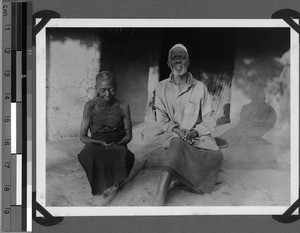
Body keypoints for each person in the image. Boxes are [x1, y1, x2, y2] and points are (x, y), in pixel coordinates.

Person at [153, 44, 223, 205]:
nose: (178, 61)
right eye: (174, 58)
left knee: (217, 155)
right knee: (177, 145)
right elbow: (162, 119)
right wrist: (177, 130)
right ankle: (160, 193)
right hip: (173, 133)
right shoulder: (161, 87)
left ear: (188, 61)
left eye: (182, 57)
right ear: (168, 63)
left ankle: (183, 180)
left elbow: (210, 118)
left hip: (195, 135)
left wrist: (195, 132)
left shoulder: (200, 87)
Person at [78, 71, 135, 197]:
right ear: (96, 88)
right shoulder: (90, 106)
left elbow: (128, 135)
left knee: (124, 154)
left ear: (116, 87)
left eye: (111, 89)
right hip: (96, 143)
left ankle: (114, 182)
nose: (107, 94)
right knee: (87, 154)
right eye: (103, 90)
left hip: (117, 143)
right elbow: (82, 136)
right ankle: (102, 184)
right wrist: (99, 142)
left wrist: (121, 142)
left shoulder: (123, 106)